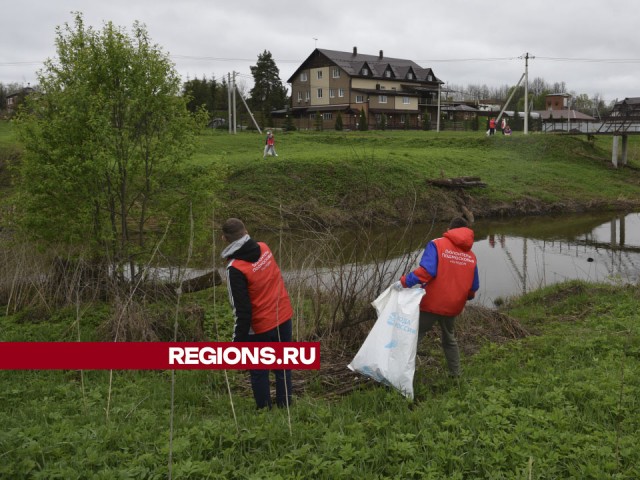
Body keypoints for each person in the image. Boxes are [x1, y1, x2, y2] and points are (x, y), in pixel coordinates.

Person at [393, 217, 479, 377]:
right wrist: (463, 296)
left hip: (432, 302)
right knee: (449, 339)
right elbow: (473, 288)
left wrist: (404, 282)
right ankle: (456, 374)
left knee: (415, 337)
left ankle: (400, 374)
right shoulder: (471, 255)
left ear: (449, 229)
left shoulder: (437, 244)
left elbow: (427, 272)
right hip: (454, 306)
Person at [221, 218, 293, 409]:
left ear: (224, 238)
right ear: (246, 231)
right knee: (283, 365)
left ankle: (265, 413)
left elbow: (242, 311)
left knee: (260, 371)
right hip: (283, 315)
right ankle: (286, 406)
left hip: (260, 327)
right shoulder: (264, 248)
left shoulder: (234, 268)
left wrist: (237, 343)